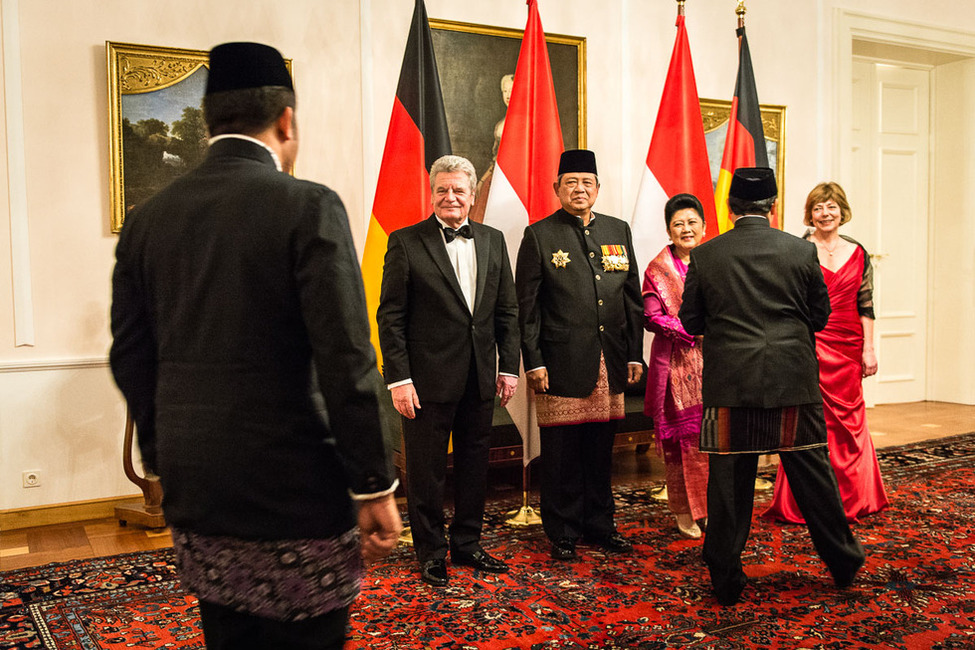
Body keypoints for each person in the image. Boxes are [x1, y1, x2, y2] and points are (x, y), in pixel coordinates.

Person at [110, 42, 401, 650]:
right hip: (296, 494)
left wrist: (170, 458)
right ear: (286, 121)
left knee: (229, 636)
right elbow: (347, 358)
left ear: (208, 121)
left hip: (200, 491)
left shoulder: (149, 217)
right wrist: (374, 484)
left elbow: (131, 358)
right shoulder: (307, 205)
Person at [679, 167, 865, 606]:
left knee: (727, 487)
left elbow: (690, 321)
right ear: (773, 204)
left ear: (731, 206)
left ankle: (725, 579)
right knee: (813, 479)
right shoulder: (801, 252)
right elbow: (819, 316)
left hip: (731, 386)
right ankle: (843, 561)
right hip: (791, 381)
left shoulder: (707, 254)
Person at [377, 154, 520, 587]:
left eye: (459, 189)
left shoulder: (494, 240)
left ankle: (468, 544)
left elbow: (507, 312)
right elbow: (391, 317)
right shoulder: (405, 242)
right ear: (432, 193)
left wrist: (508, 368)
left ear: (473, 195)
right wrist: (399, 379)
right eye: (442, 189)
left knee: (476, 465)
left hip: (480, 376)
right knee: (426, 470)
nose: (451, 196)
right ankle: (431, 552)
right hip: (424, 382)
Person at [516, 149, 644, 561]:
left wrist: (634, 354)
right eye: (570, 182)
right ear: (557, 188)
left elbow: (631, 299)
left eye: (587, 182)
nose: (579, 189)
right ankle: (563, 531)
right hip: (559, 364)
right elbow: (527, 307)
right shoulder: (539, 235)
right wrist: (533, 360)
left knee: (600, 451)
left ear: (597, 189)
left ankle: (600, 525)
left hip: (610, 359)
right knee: (562, 455)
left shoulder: (618, 230)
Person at [764, 182, 889, 523]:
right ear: (811, 214)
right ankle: (807, 500)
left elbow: (866, 305)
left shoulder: (858, 252)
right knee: (810, 422)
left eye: (831, 206)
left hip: (849, 348)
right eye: (818, 208)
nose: (825, 213)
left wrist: (869, 349)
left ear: (842, 211)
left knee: (850, 421)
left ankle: (856, 496)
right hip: (810, 344)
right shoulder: (796, 249)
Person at [642, 193, 708, 539]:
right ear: (669, 230)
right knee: (683, 446)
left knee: (713, 441)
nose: (686, 229)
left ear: (704, 226)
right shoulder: (658, 269)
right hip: (677, 365)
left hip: (715, 363)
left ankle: (709, 509)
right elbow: (651, 316)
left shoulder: (714, 260)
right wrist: (689, 329)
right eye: (678, 224)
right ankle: (685, 512)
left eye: (691, 222)